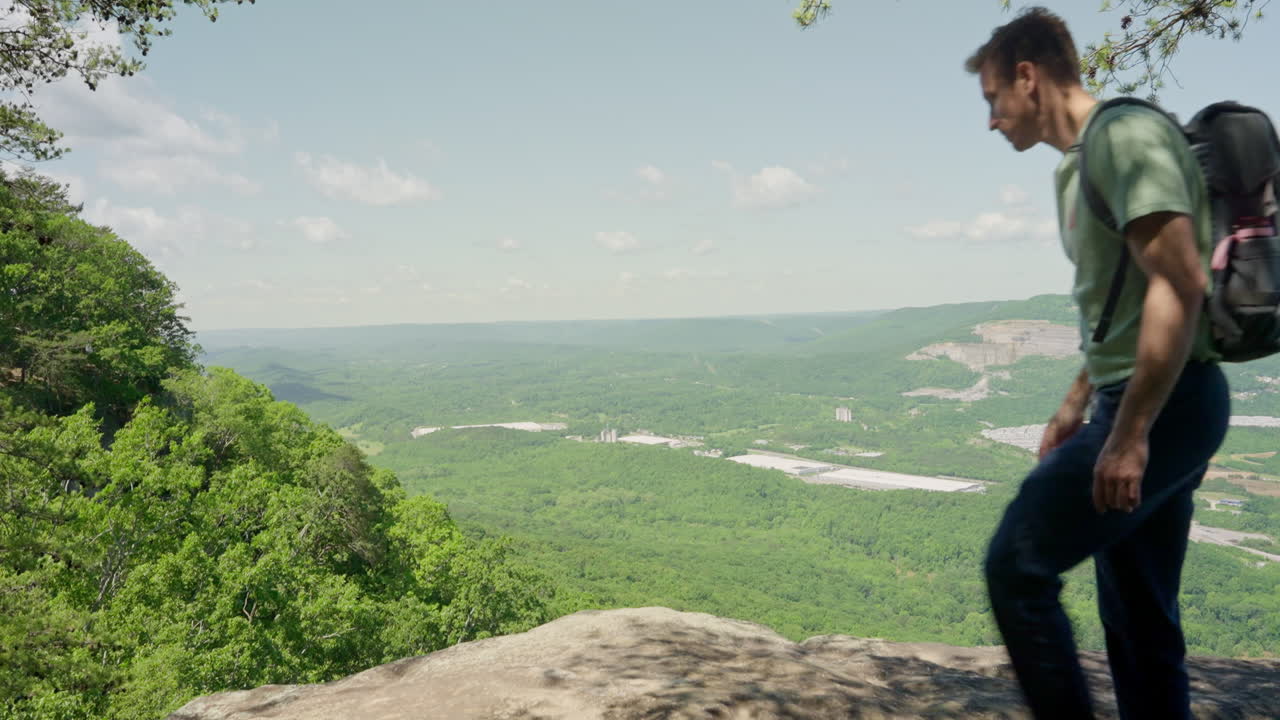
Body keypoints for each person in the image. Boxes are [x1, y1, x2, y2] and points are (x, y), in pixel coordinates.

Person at [965, 7, 1229, 719]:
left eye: (993, 99)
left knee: (1016, 565)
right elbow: (1125, 301)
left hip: (1166, 403)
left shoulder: (1125, 137)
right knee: (1140, 621)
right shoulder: (1077, 167)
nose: (991, 120)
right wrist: (1077, 401)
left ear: (1028, 76)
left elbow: (1180, 281)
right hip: (1150, 398)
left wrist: (1131, 430)